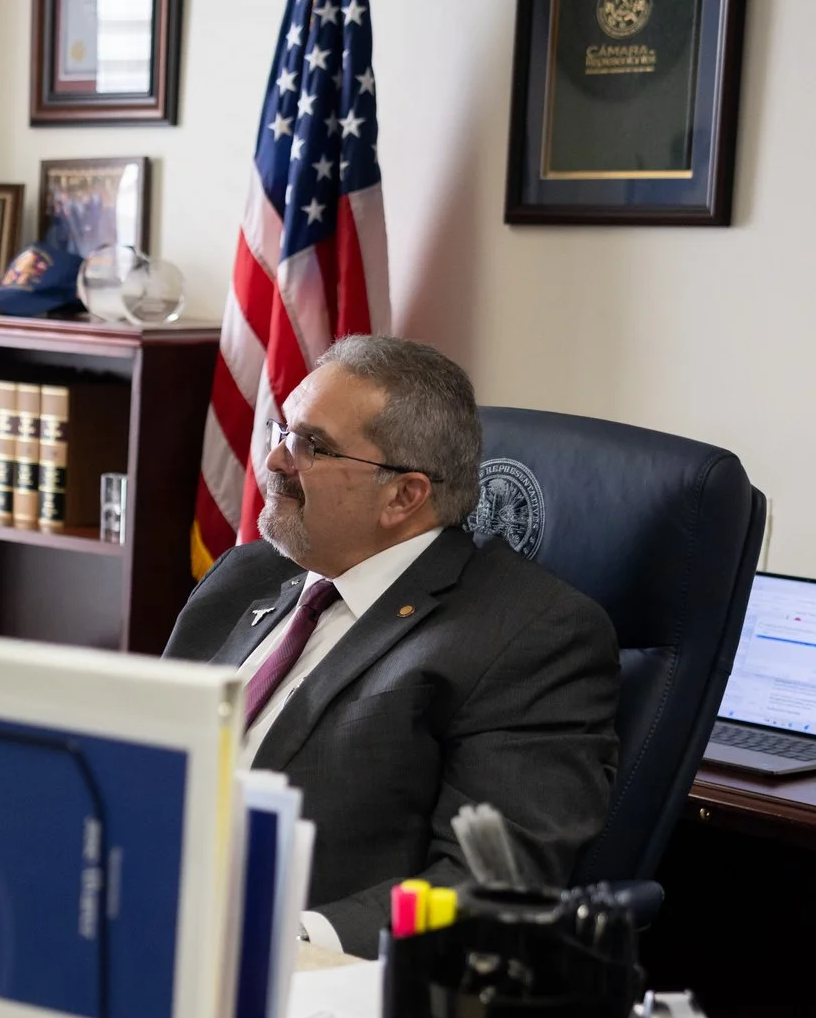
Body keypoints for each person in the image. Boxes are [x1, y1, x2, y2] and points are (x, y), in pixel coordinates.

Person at [164, 335, 620, 955]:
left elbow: (491, 880)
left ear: (404, 496)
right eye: (283, 432)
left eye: (312, 446)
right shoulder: (247, 575)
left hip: (299, 973)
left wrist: (294, 940)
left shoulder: (530, 635)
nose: (274, 462)